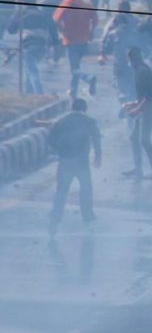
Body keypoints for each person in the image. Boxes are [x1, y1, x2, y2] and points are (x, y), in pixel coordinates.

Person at [47, 98, 101, 237]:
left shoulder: (61, 121)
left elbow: (51, 139)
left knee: (62, 190)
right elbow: (96, 138)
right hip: (81, 161)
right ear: (84, 108)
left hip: (65, 160)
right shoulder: (89, 121)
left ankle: (55, 216)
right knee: (86, 188)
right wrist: (98, 155)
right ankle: (87, 216)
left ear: (72, 108)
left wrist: (58, 151)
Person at [53, 0, 98, 98]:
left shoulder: (66, 3)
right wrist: (91, 32)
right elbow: (95, 19)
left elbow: (56, 19)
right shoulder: (85, 5)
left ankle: (88, 78)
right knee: (76, 67)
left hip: (71, 40)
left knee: (75, 69)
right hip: (84, 41)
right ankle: (73, 90)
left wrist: (63, 31)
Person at [121, 46, 152, 180]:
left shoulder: (142, 72)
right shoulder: (141, 70)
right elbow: (144, 95)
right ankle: (138, 169)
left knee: (145, 141)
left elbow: (148, 96)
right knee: (134, 138)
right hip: (145, 108)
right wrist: (132, 104)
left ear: (132, 59)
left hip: (149, 110)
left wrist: (137, 109)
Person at [6, 0, 57, 94]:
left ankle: (40, 94)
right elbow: (54, 31)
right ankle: (29, 93)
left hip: (28, 46)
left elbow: (11, 30)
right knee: (29, 71)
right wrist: (55, 45)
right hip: (42, 47)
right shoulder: (44, 14)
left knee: (32, 72)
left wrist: (17, 14)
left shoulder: (22, 14)